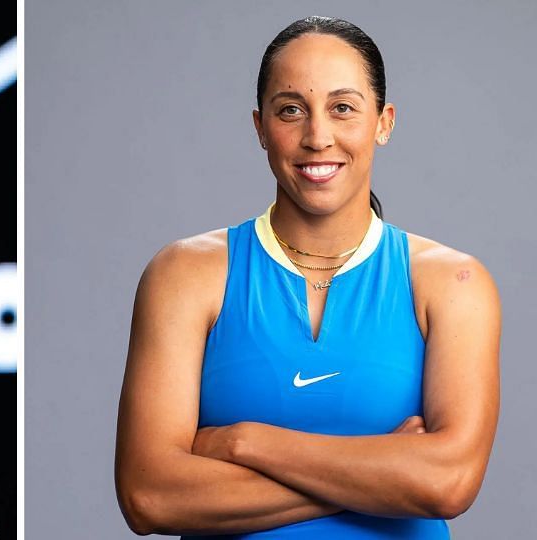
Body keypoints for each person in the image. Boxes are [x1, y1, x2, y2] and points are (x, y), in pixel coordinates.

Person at [114, 16, 500, 539]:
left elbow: (447, 484)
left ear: (383, 122)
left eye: (343, 108)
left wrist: (243, 443)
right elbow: (149, 496)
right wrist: (386, 471)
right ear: (260, 128)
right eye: (291, 110)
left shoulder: (452, 283)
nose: (318, 137)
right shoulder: (186, 274)